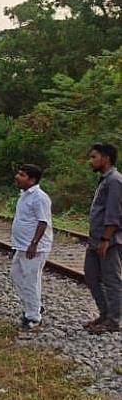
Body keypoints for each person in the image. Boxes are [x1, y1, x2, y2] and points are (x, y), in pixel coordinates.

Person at [9, 164, 53, 335]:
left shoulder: (39, 197)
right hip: (22, 246)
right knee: (16, 275)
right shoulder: (24, 195)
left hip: (34, 247)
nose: (17, 177)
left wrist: (34, 243)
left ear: (32, 179)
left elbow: (43, 222)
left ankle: (33, 317)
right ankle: (35, 306)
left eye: (22, 175)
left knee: (30, 280)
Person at [83, 142, 122, 334]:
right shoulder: (104, 180)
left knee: (111, 279)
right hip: (95, 239)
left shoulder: (114, 180)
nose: (90, 161)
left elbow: (114, 213)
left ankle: (114, 320)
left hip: (108, 241)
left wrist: (106, 239)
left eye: (94, 157)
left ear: (106, 159)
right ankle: (105, 314)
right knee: (91, 275)